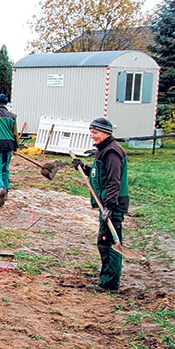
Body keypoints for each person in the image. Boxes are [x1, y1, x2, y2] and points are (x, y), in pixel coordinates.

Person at [71, 117, 129, 293]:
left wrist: (110, 206)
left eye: (95, 133)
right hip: (107, 203)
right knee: (104, 242)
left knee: (109, 242)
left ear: (106, 133)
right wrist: (84, 168)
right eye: (92, 133)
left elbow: (113, 181)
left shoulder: (112, 152)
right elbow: (100, 174)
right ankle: (106, 277)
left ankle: (109, 284)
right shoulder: (104, 150)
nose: (93, 136)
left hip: (113, 205)